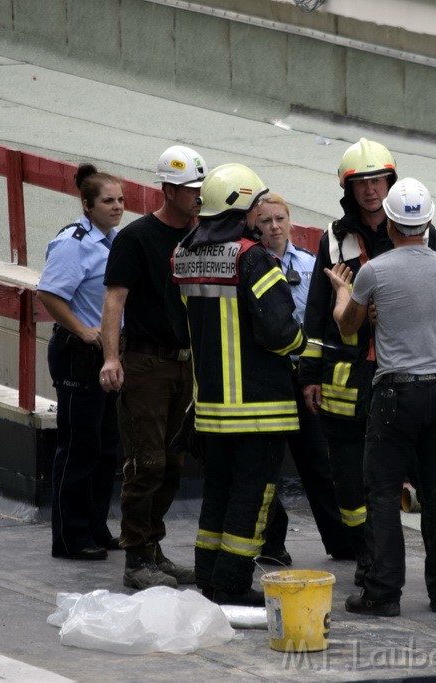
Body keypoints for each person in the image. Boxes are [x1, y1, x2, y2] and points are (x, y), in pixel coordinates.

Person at [298, 138, 436, 590]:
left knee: (433, 480)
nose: (370, 191)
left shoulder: (422, 230)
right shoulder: (334, 238)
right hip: (353, 376)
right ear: (348, 188)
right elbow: (319, 311)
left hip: (411, 373)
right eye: (360, 183)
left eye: (378, 180)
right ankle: (370, 560)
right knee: (355, 480)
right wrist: (310, 373)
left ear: (392, 181)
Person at [326, 178, 436, 615]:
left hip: (393, 394)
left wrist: (343, 291)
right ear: (428, 221)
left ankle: (383, 593)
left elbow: (348, 326)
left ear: (389, 221)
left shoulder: (374, 271)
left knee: (383, 494)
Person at [171, 165, 305, 606]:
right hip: (259, 406)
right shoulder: (252, 257)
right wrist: (304, 342)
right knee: (253, 495)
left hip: (209, 406)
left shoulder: (185, 254)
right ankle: (231, 583)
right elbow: (280, 331)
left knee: (219, 494)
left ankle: (208, 575)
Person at [99, 145, 204, 590]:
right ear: (168, 190)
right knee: (147, 462)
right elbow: (114, 300)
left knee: (173, 464)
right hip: (145, 363)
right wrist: (110, 358)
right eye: (190, 190)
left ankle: (153, 550)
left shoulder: (201, 235)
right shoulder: (137, 238)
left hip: (184, 365)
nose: (198, 197)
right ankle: (137, 556)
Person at [253, 194, 353, 565]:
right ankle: (271, 545)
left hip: (305, 373)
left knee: (319, 462)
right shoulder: (252, 264)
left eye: (280, 219)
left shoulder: (312, 265)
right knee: (266, 466)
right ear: (255, 225)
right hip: (268, 375)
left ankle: (343, 542)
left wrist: (319, 373)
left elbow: (324, 322)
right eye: (265, 221)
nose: (274, 226)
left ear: (290, 221)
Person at [38, 163, 124, 562]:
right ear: (87, 206)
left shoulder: (114, 241)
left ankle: (95, 526)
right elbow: (51, 294)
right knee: (78, 447)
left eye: (121, 200)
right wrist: (82, 330)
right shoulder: (74, 243)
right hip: (79, 354)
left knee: (107, 447)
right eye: (108, 201)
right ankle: (70, 537)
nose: (117, 207)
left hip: (108, 355)